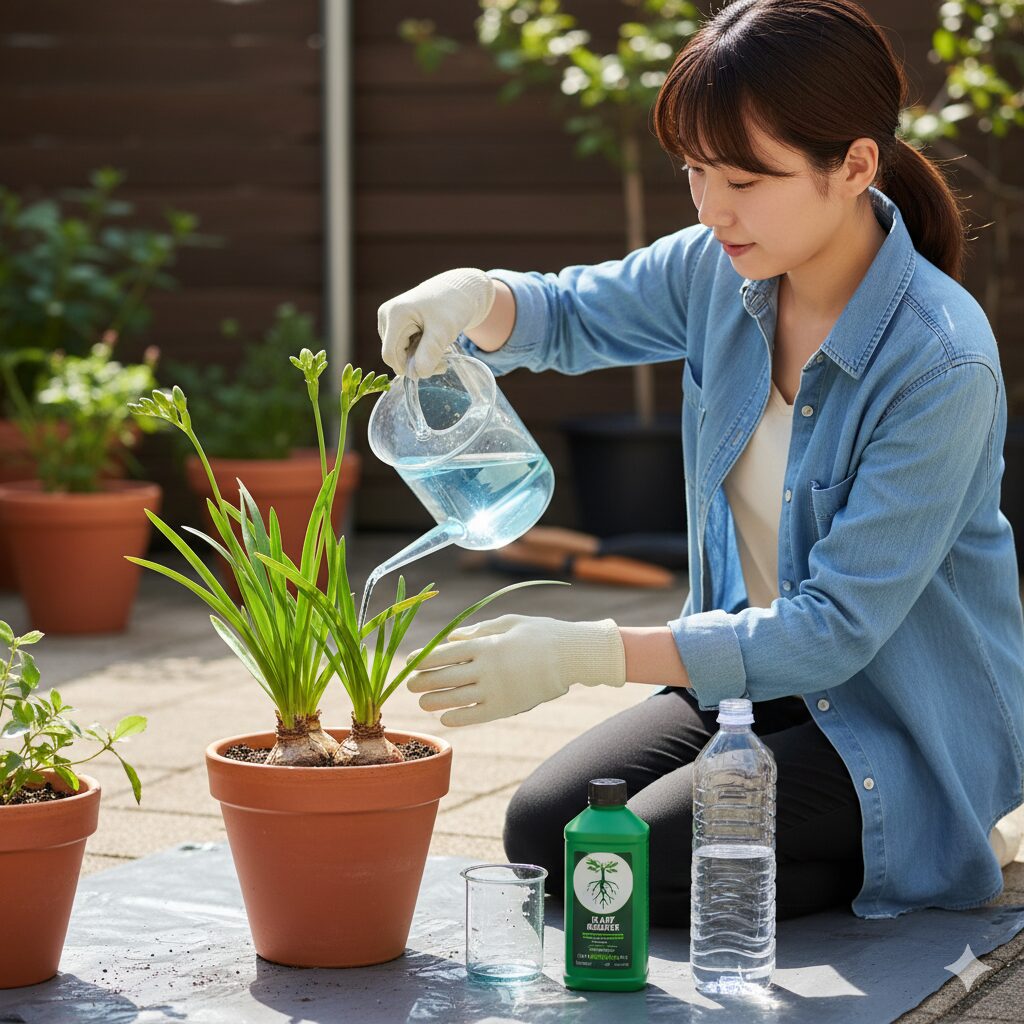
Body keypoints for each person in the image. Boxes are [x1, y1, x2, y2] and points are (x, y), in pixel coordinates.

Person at [376, 0, 1024, 924]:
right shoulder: (721, 270)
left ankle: (932, 840)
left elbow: (837, 629)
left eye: (747, 180)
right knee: (545, 834)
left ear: (855, 167)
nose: (714, 209)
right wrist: (470, 296)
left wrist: (586, 655)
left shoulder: (940, 360)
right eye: (695, 172)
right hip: (749, 683)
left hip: (890, 720)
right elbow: (568, 314)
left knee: (643, 866)